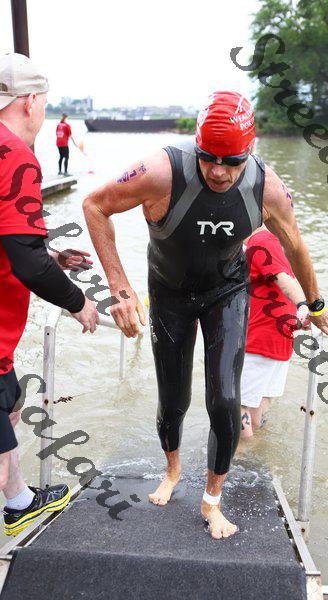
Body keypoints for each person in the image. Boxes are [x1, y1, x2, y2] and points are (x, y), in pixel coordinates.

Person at [83, 90, 328, 540]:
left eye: (231, 161)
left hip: (227, 292)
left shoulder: (266, 187)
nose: (218, 171)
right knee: (173, 399)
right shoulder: (161, 172)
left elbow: (294, 243)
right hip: (170, 294)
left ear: (250, 151)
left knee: (225, 399)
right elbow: (95, 205)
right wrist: (120, 289)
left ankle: (212, 499)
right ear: (196, 147)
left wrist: (313, 303)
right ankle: (173, 470)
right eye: (208, 158)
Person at [0, 53, 99, 537]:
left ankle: (19, 503)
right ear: (31, 101)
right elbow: (26, 263)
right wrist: (79, 302)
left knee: (12, 404)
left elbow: (16, 244)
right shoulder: (16, 155)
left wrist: (51, 254)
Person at [240, 226, 328, 438]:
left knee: (239, 407)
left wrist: (303, 308)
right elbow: (280, 287)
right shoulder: (277, 243)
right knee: (256, 412)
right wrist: (300, 317)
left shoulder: (262, 240)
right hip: (278, 341)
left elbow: (282, 280)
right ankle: (255, 452)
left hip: (258, 343)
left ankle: (242, 454)